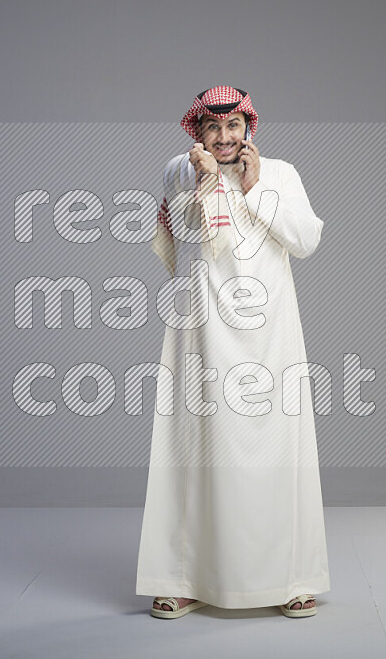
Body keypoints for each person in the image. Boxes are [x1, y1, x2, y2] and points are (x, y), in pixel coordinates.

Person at [136, 86, 330, 619]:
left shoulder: (282, 173)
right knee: (193, 448)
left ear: (249, 129)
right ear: (196, 131)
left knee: (275, 447)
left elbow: (305, 240)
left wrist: (255, 186)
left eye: (233, 128)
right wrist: (203, 178)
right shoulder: (180, 169)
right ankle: (184, 576)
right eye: (212, 129)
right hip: (200, 328)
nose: (224, 139)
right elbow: (188, 232)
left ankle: (290, 576)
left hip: (269, 332)